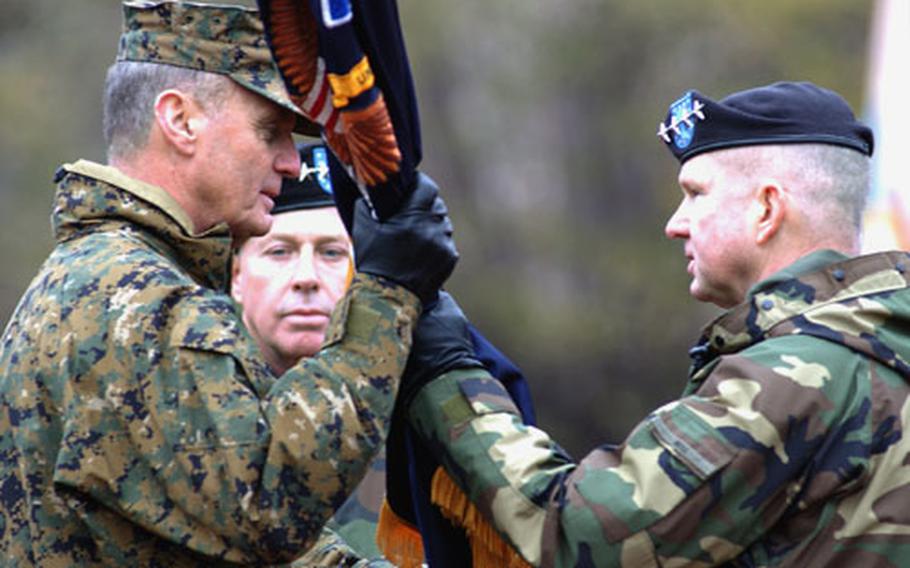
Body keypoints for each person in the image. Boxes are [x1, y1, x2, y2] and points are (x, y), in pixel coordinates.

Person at [0, 1, 458, 566]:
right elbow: (267, 505)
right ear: (181, 121)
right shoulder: (137, 303)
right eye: (271, 131)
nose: (292, 163)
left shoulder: (109, 280)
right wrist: (387, 293)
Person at [399, 81, 910, 566]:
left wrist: (449, 381)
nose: (675, 223)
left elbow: (585, 534)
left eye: (696, 192)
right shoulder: (877, 341)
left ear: (767, 208)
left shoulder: (798, 372)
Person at [230, 141, 387, 563]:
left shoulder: (416, 421)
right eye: (279, 251)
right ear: (236, 275)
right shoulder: (199, 414)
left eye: (332, 252)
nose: (306, 277)